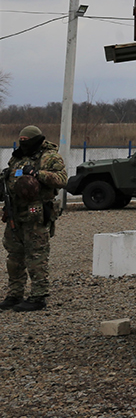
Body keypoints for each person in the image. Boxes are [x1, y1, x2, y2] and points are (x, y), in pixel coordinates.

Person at [3, 125, 67, 312]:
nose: (23, 144)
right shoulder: (17, 158)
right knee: (14, 256)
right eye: (20, 140)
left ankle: (38, 295)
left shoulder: (50, 157)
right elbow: (13, 178)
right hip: (15, 213)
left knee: (36, 255)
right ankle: (15, 294)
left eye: (26, 141)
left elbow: (62, 179)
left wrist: (38, 174)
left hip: (36, 214)